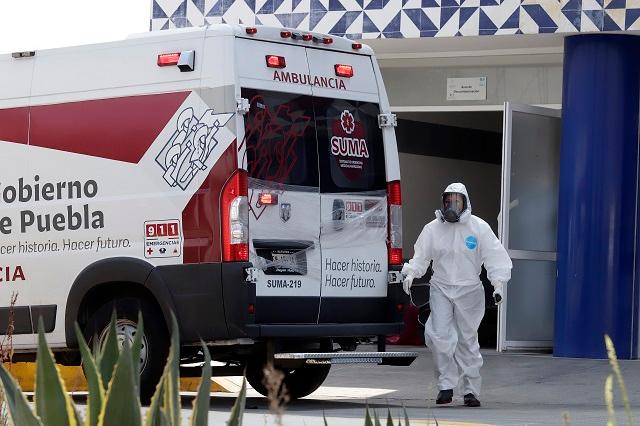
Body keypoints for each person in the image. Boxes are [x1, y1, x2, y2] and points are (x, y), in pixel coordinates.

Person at [401, 182, 512, 407]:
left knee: (467, 340)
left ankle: (471, 390)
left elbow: (494, 257)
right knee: (439, 336)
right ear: (442, 202)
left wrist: (498, 284)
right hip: (441, 287)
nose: (452, 205)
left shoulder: (478, 228)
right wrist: (411, 273)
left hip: (469, 290)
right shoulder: (432, 229)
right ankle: (446, 386)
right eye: (448, 201)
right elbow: (421, 257)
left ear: (465, 202)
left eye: (457, 201)